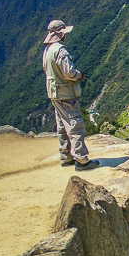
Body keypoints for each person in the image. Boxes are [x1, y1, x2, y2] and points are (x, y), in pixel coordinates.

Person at [41, 20, 99, 171]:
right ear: (60, 33)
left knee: (62, 126)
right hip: (65, 92)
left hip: (54, 93)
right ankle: (81, 159)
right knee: (75, 124)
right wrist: (79, 75)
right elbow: (69, 72)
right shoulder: (60, 50)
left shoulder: (47, 50)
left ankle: (66, 156)